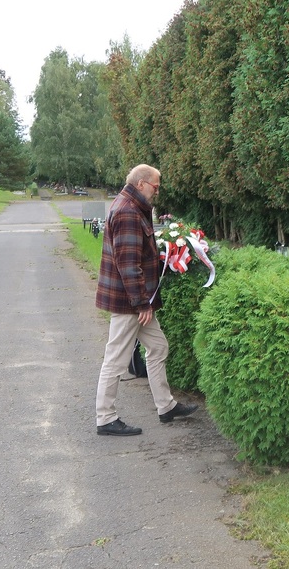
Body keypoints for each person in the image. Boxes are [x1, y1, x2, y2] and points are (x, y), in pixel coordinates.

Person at [94, 164, 197, 436]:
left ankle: (166, 406)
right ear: (141, 184)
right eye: (155, 186)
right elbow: (128, 265)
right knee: (116, 358)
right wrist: (141, 304)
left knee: (158, 347)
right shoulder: (128, 212)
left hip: (137, 301)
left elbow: (138, 253)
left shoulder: (133, 206)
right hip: (131, 303)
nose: (157, 190)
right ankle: (105, 418)